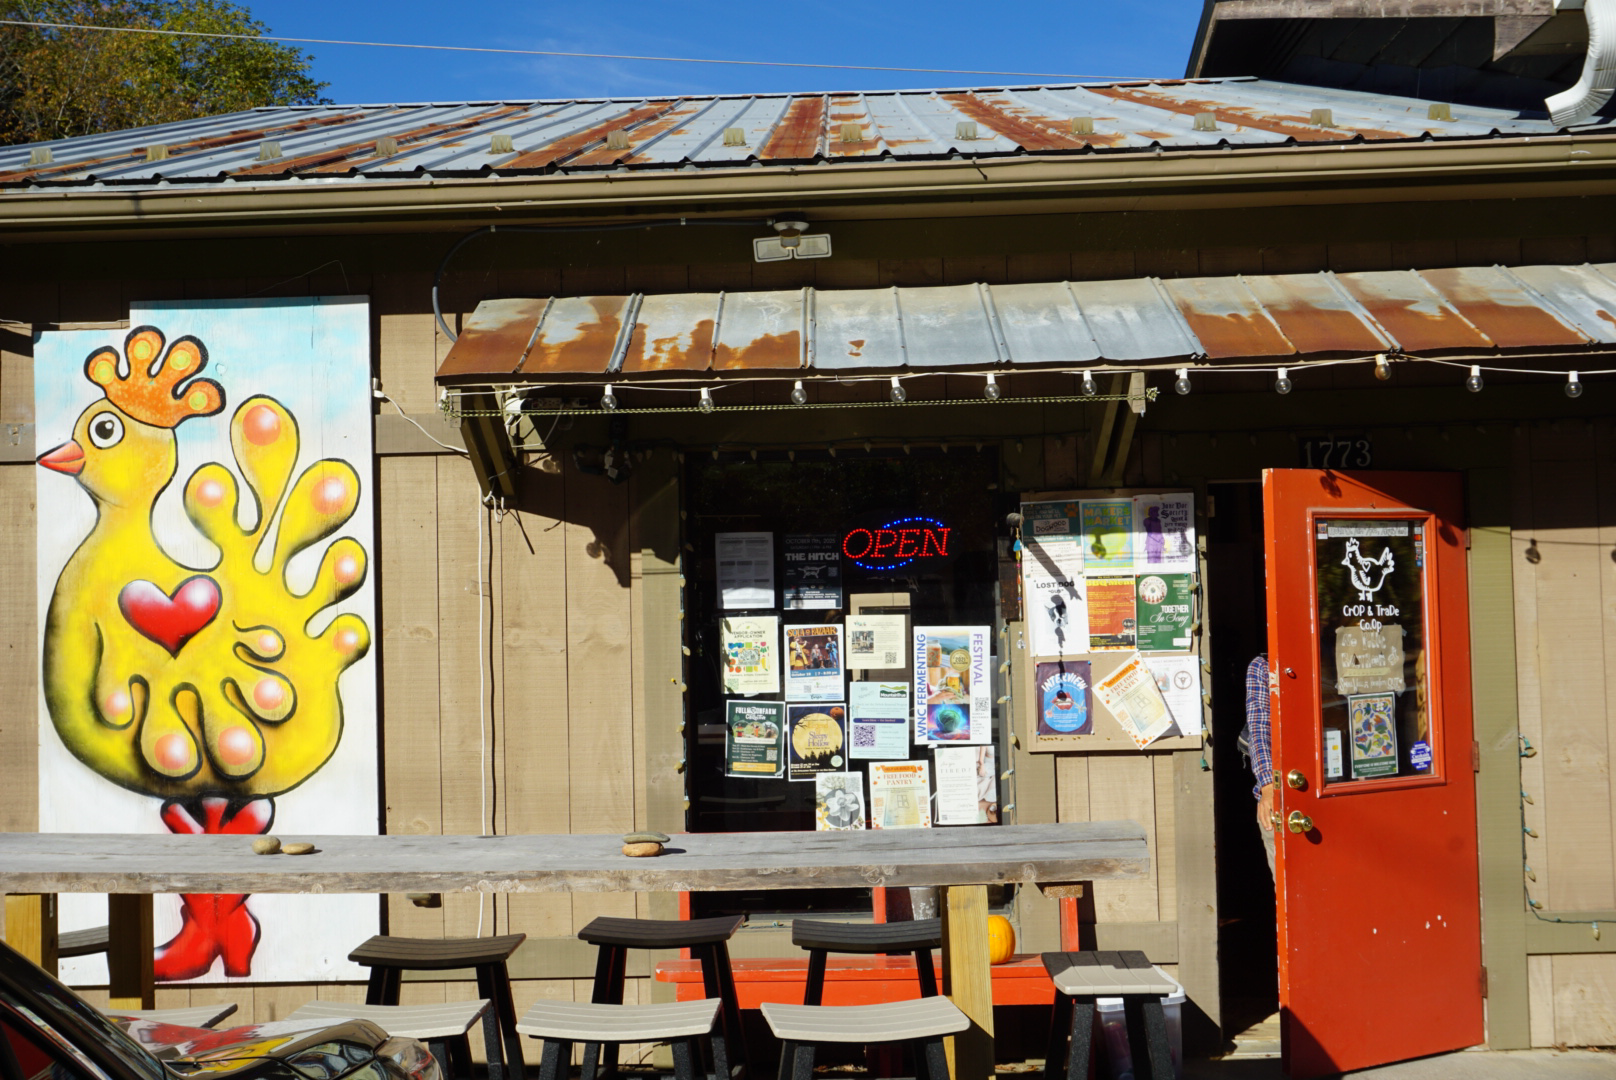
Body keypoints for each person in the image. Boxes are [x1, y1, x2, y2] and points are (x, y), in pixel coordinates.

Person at [1244, 653, 1277, 877]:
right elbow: (1259, 728)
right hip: (1282, 793)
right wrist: (1269, 787)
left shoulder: (1330, 652)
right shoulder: (1263, 665)